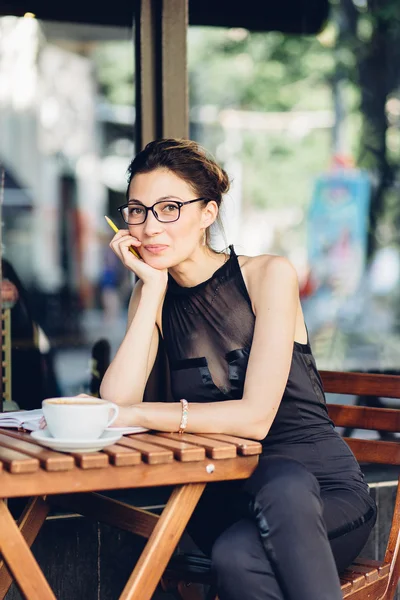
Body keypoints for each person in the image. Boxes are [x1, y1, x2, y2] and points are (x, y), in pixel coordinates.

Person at [100, 138, 377, 600]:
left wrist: (143, 415)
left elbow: (255, 419)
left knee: (248, 540)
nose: (149, 227)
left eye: (169, 208)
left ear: (208, 213)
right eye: (137, 210)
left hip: (323, 496)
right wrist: (150, 288)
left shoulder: (269, 275)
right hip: (226, 493)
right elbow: (115, 403)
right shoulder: (151, 295)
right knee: (241, 540)